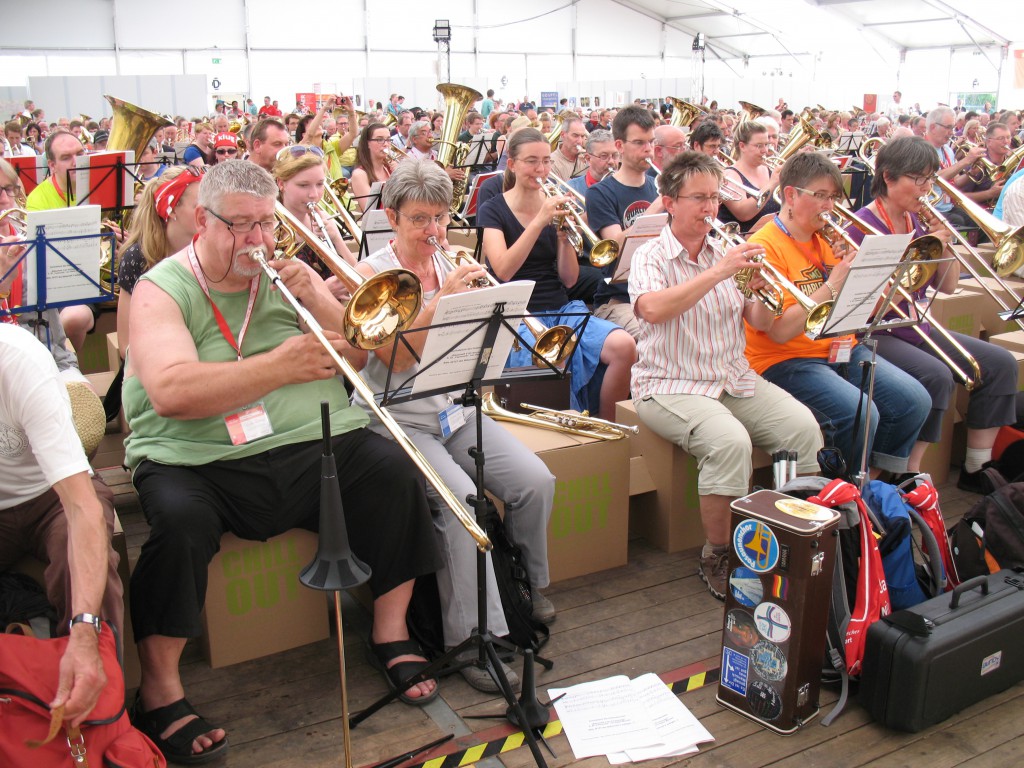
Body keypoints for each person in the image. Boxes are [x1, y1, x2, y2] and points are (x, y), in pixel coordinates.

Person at [123, 161, 443, 762]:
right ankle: (160, 687)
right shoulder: (161, 288)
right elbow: (169, 391)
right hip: (198, 458)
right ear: (202, 221)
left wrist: (317, 298)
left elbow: (365, 354)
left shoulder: (284, 272)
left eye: (267, 224)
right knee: (178, 524)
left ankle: (391, 631)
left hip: (308, 441)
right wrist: (278, 367)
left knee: (394, 474)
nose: (258, 240)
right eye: (241, 225)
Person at [354, 159, 555, 690]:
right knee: (462, 506)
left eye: (441, 218)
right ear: (392, 218)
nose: (433, 230)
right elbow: (396, 360)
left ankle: (526, 587)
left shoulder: (452, 260)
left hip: (455, 411)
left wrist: (492, 308)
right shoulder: (371, 276)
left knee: (535, 480)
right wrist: (444, 299)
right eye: (419, 219)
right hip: (400, 420)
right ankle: (471, 639)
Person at [629, 152, 823, 598]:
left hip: (730, 376)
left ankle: (789, 535)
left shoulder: (724, 250)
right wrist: (721, 272)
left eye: (715, 198)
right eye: (699, 198)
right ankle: (718, 552)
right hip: (669, 383)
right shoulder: (650, 255)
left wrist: (760, 291)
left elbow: (758, 321)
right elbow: (652, 310)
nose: (710, 208)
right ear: (669, 202)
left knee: (802, 428)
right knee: (729, 442)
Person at [744, 151, 931, 478]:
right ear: (791, 195)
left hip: (840, 348)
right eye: (820, 196)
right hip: (786, 359)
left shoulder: (830, 241)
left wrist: (872, 277)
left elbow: (868, 313)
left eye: (833, 197)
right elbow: (780, 332)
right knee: (859, 414)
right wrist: (833, 286)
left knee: (914, 400)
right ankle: (840, 494)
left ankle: (871, 484)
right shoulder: (766, 246)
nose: (829, 206)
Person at [846, 136, 1017, 491]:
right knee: (936, 375)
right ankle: (910, 474)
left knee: (1000, 364)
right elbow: (863, 306)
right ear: (888, 177)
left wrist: (945, 243)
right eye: (918, 179)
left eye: (930, 179)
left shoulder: (917, 220)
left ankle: (977, 467)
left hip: (914, 324)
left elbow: (949, 286)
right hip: (876, 329)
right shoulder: (861, 226)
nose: (926, 188)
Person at [0, 323, 125, 727]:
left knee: (89, 562)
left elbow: (79, 505)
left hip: (51, 494)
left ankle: (104, 717)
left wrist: (84, 632)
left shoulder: (17, 358)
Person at [479, 128, 637, 420]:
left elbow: (569, 279)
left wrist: (564, 240)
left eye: (546, 161)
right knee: (553, 357)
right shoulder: (493, 209)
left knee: (624, 346)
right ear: (512, 164)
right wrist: (539, 222)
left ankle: (606, 427)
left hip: (560, 306)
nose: (541, 169)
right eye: (531, 161)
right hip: (517, 314)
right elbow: (502, 270)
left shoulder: (553, 207)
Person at [585, 105, 665, 339]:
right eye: (639, 143)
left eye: (651, 142)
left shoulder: (656, 186)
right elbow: (615, 246)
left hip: (659, 291)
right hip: (619, 299)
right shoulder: (600, 193)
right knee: (655, 338)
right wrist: (660, 204)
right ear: (619, 146)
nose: (648, 149)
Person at [115, 167, 202, 361]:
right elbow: (125, 345)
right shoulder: (138, 257)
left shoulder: (210, 250)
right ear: (172, 209)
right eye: (199, 206)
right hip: (155, 363)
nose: (209, 213)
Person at [274, 144, 356, 293]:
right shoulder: (271, 229)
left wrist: (337, 239)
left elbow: (357, 275)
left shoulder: (323, 219)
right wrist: (325, 291)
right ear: (281, 184)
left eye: (319, 184)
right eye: (303, 185)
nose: (314, 194)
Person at [717, 121, 780, 233]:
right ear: (742, 146)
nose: (765, 150)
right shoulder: (729, 175)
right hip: (742, 239)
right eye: (759, 146)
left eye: (766, 145)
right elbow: (743, 213)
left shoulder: (770, 170)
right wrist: (772, 184)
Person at [952, 121, 1011, 208]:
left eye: (1008, 137)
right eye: (1001, 138)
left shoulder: (1012, 161)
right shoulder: (978, 162)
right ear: (989, 142)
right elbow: (960, 197)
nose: (1006, 141)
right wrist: (989, 193)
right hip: (982, 209)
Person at [350, 122, 393, 213]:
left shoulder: (391, 168)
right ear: (367, 143)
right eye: (380, 139)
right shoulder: (360, 174)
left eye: (388, 139)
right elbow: (371, 211)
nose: (386, 144)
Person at [566, 128, 618, 198]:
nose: (611, 161)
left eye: (615, 155)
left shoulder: (628, 186)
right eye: (604, 156)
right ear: (588, 158)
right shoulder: (570, 188)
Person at [549, 115, 589, 182]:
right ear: (562, 135)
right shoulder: (551, 162)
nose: (580, 141)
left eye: (582, 136)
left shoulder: (586, 158)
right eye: (575, 135)